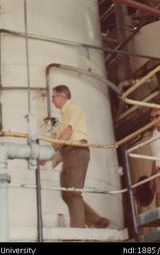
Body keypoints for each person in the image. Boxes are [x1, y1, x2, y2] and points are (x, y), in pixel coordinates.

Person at [50, 84, 110, 228]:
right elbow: (58, 145)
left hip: (76, 151)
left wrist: (56, 143)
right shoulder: (62, 118)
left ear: (62, 96)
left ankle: (77, 230)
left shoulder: (73, 108)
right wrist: (48, 160)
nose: (52, 100)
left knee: (73, 192)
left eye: (54, 96)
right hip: (68, 154)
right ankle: (97, 220)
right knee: (67, 194)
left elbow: (67, 133)